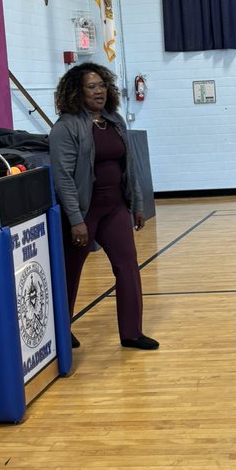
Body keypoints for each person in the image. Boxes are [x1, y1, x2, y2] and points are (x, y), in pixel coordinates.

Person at [49, 62, 159, 352]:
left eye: (102, 85)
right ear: (76, 91)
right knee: (69, 273)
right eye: (91, 86)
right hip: (84, 213)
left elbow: (129, 166)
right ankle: (61, 330)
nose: (98, 91)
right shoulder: (66, 127)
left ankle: (132, 333)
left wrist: (136, 204)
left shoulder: (114, 120)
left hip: (115, 209)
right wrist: (76, 219)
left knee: (128, 267)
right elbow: (63, 178)